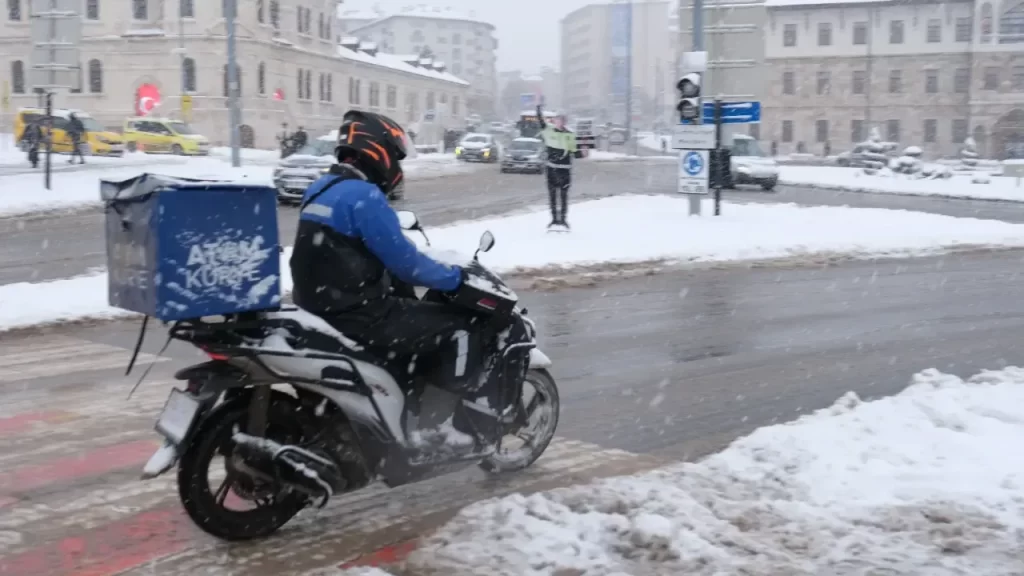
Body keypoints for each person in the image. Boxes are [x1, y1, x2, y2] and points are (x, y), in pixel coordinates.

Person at [289, 110, 527, 442]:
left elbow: (343, 248)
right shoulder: (365, 197)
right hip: (360, 313)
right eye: (395, 157)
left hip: (319, 308)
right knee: (463, 327)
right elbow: (407, 265)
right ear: (377, 150)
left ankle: (406, 399)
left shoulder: (320, 188)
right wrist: (455, 279)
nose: (397, 167)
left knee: (412, 315)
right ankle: (443, 426)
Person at [536, 104, 583, 229]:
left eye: (562, 119)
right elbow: (540, 122)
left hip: (565, 170)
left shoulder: (570, 135)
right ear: (554, 121)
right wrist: (538, 110)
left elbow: (575, 152)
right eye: (557, 119)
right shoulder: (548, 131)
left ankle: (563, 219)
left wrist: (582, 152)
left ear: (565, 121)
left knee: (563, 196)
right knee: (552, 196)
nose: (559, 122)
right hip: (551, 168)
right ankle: (553, 219)